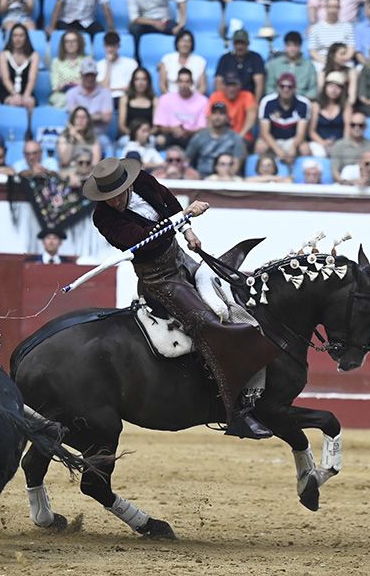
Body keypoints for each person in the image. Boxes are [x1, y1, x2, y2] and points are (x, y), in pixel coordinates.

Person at [84, 157, 277, 439]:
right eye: (107, 198)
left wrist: (187, 230)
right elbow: (145, 239)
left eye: (117, 195)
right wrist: (185, 215)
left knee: (231, 296)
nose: (113, 202)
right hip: (159, 277)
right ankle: (236, 411)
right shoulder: (103, 217)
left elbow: (169, 201)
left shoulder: (143, 181)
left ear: (127, 186)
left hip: (180, 258)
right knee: (206, 322)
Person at [256, 73, 311, 167]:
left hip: (292, 140)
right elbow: (265, 133)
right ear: (277, 87)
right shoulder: (267, 102)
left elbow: (301, 133)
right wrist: (278, 151)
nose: (286, 89)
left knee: (305, 149)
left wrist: (293, 147)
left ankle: (299, 174)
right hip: (273, 139)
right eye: (282, 86)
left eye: (290, 86)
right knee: (260, 147)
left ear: (295, 88)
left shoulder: (304, 103)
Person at [187, 103, 247, 177]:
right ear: (210, 117)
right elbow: (187, 159)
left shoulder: (235, 138)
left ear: (227, 118)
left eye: (221, 114)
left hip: (226, 177)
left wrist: (224, 177)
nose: (217, 117)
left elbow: (237, 164)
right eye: (214, 113)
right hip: (202, 178)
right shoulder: (200, 136)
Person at [154, 67, 209, 147]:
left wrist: (188, 132)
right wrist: (172, 129)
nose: (184, 85)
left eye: (187, 81)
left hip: (192, 136)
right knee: (159, 140)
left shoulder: (203, 101)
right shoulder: (165, 99)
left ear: (192, 83)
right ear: (177, 83)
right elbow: (160, 125)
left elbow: (204, 128)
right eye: (181, 81)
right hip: (170, 134)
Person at [68, 58, 116, 145]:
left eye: (92, 75)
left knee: (106, 144)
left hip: (99, 134)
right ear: (81, 75)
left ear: (96, 75)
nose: (89, 78)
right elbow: (73, 117)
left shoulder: (105, 93)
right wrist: (97, 116)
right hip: (78, 133)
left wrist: (83, 117)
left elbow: (107, 118)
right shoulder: (72, 93)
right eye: (87, 75)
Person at [0, 23, 40, 109]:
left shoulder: (34, 55)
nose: (18, 39)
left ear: (26, 38)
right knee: (14, 102)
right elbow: (5, 79)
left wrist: (26, 95)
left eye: (21, 36)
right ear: (11, 37)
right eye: (15, 36)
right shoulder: (3, 54)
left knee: (29, 102)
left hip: (26, 90)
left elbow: (32, 79)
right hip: (7, 91)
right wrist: (15, 94)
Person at [215, 29, 267, 95]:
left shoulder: (256, 58)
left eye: (242, 43)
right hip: (229, 97)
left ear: (248, 43)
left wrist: (256, 101)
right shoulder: (225, 59)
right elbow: (219, 82)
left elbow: (259, 84)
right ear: (233, 44)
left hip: (250, 98)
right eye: (237, 43)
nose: (239, 46)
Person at [308, 0, 355, 66]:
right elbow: (312, 51)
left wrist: (342, 59)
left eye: (335, 7)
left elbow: (351, 48)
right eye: (330, 7)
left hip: (343, 61)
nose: (332, 10)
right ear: (325, 8)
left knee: (351, 68)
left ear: (339, 8)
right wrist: (326, 61)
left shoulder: (348, 27)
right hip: (322, 61)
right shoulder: (316, 28)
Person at [50, 31, 93, 108]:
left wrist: (72, 83)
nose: (70, 44)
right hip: (61, 95)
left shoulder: (87, 59)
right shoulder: (56, 62)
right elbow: (55, 88)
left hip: (82, 93)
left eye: (74, 41)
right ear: (63, 44)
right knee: (66, 99)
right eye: (67, 41)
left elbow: (90, 82)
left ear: (79, 43)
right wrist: (65, 85)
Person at [116, 67, 158, 141]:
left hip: (148, 137)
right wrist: (135, 136)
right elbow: (122, 126)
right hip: (128, 136)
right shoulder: (125, 99)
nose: (140, 83)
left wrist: (145, 135)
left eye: (144, 79)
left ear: (148, 82)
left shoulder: (155, 100)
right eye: (137, 79)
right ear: (133, 82)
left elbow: (156, 127)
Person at [158, 30, 207, 94]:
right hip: (171, 96)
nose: (185, 44)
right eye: (182, 41)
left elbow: (203, 87)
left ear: (192, 44)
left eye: (188, 41)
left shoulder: (200, 61)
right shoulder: (167, 59)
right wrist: (169, 98)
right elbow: (162, 85)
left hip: (193, 97)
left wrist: (195, 99)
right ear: (177, 43)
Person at [98, 31, 139, 97]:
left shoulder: (131, 63)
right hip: (106, 98)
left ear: (118, 46)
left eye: (113, 46)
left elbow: (133, 87)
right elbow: (104, 87)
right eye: (107, 46)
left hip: (125, 97)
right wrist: (108, 65)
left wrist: (112, 89)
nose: (110, 49)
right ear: (104, 46)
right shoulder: (98, 65)